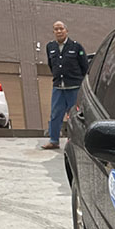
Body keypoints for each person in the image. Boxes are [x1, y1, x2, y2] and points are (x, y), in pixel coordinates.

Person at [41, 21, 88, 150]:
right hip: (58, 87)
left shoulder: (76, 47)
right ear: (53, 32)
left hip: (74, 88)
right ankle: (54, 140)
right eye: (56, 29)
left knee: (74, 116)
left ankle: (75, 141)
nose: (59, 31)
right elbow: (51, 65)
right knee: (55, 114)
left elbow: (84, 67)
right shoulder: (50, 47)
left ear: (66, 31)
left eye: (61, 29)